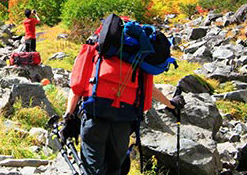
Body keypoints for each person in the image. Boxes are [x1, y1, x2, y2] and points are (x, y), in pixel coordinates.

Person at [61, 31, 185, 175]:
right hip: (124, 121)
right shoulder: (138, 57)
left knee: (92, 169)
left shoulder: (94, 49)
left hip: (95, 116)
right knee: (115, 169)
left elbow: (77, 86)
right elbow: (149, 89)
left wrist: (68, 116)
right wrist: (171, 104)